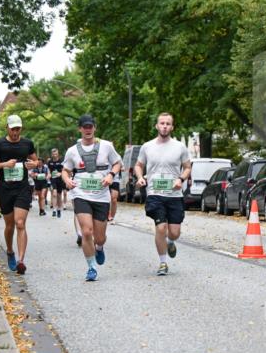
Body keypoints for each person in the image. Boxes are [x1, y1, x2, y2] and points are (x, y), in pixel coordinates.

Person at [62, 114, 121, 281]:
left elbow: (117, 163)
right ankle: (91, 267)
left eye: (90, 127)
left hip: (101, 196)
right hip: (81, 194)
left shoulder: (106, 146)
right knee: (86, 232)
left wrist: (110, 175)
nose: (88, 130)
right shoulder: (72, 151)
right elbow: (65, 170)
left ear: (94, 128)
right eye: (85, 127)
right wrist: (67, 180)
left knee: (99, 237)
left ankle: (99, 247)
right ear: (80, 129)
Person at [134, 112, 191, 276]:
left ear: (172, 127)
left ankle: (171, 241)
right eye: (162, 123)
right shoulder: (147, 146)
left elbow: (187, 167)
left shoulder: (179, 147)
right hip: (155, 194)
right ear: (157, 126)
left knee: (174, 232)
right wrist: (140, 177)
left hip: (174, 195)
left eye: (168, 124)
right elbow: (138, 165)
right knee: (161, 228)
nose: (165, 126)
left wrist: (180, 179)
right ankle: (163, 263)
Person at [0, 114, 37, 274]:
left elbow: (36, 161)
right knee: (10, 226)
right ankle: (9, 251)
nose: (15, 132)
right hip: (5, 189)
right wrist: (4, 164)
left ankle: (21, 261)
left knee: (20, 223)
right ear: (7, 128)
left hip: (22, 188)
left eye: (18, 129)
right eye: (13, 129)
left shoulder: (27, 143)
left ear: (21, 128)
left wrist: (33, 164)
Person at [46, 148, 66, 217]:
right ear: (52, 154)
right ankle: (54, 210)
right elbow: (49, 170)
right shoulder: (50, 162)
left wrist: (60, 173)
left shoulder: (61, 161)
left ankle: (59, 209)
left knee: (59, 195)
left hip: (60, 180)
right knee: (54, 194)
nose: (55, 155)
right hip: (53, 179)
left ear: (58, 154)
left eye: (56, 154)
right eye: (53, 154)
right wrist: (49, 174)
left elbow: (64, 170)